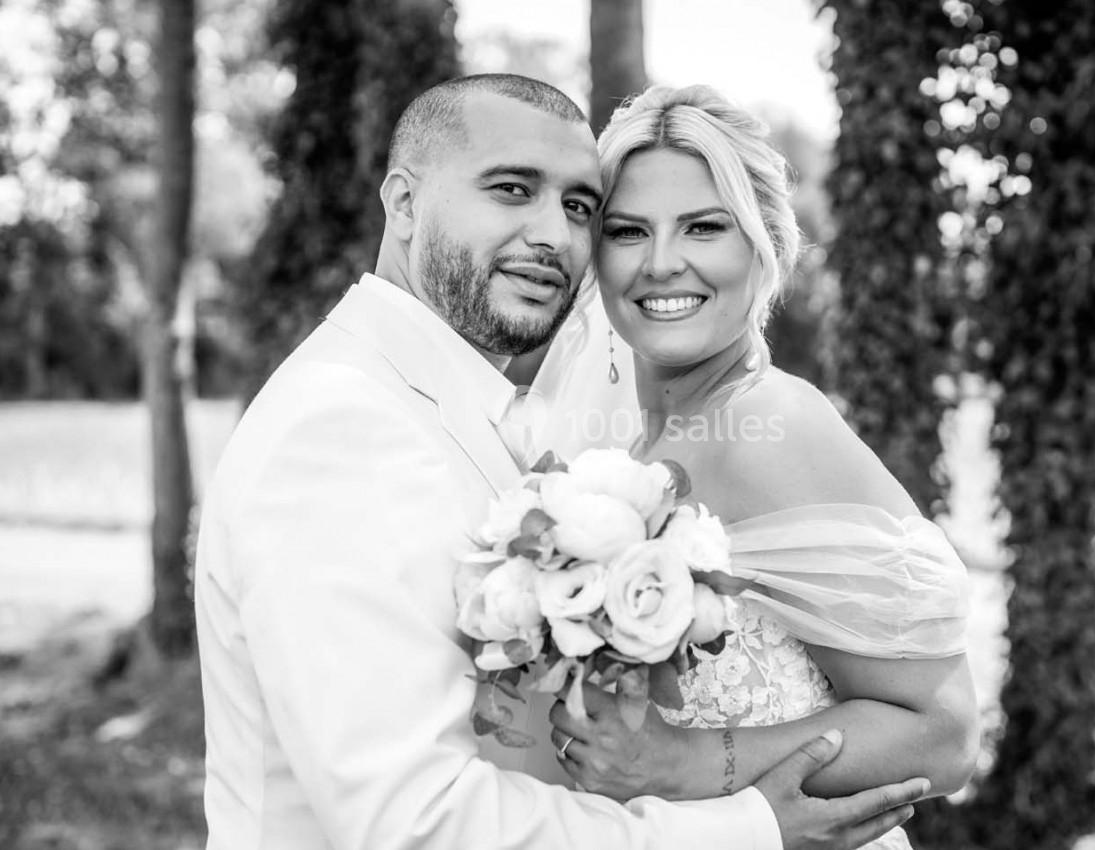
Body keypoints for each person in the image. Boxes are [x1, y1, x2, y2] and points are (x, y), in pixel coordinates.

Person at [194, 73, 932, 850]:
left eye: (580, 207)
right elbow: (413, 823)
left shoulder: (471, 415)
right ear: (403, 203)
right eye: (513, 189)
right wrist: (744, 829)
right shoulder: (341, 428)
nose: (555, 236)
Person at [542, 85, 979, 850]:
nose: (661, 263)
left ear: (766, 242)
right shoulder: (612, 445)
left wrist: (685, 765)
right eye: (628, 231)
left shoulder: (772, 430)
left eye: (704, 227)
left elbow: (944, 734)